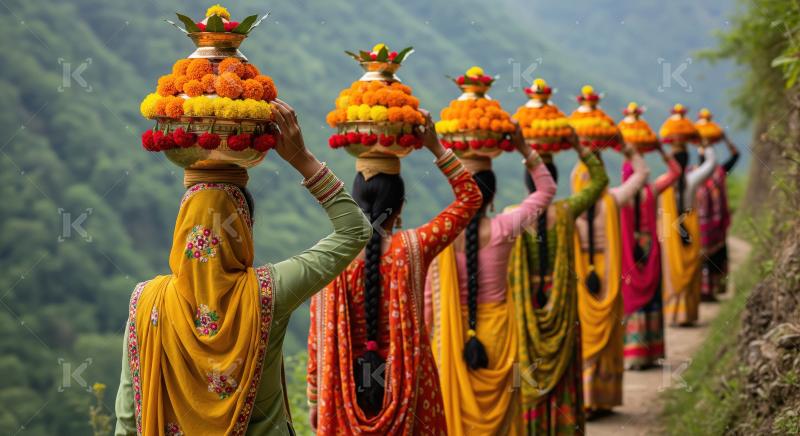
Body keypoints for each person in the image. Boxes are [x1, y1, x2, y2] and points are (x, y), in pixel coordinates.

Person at [113, 100, 372, 436]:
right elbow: (355, 231)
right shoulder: (270, 292)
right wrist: (301, 159)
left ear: (182, 230)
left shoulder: (147, 303)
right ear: (244, 228)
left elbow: (128, 419)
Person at [306, 113, 482, 435]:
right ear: (399, 207)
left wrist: (316, 400)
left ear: (354, 204)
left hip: (345, 396)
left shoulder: (331, 257)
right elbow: (471, 199)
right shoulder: (415, 247)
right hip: (411, 393)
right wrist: (435, 147)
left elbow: (318, 336)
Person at [423, 125, 556, 436]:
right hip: (498, 334)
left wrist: (429, 345)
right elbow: (546, 191)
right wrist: (525, 150)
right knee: (503, 411)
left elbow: (429, 303)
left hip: (452, 338)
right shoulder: (505, 228)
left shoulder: (439, 236)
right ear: (493, 196)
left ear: (461, 196)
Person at [507, 138, 608, 434]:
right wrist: (579, 146)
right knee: (562, 371)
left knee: (528, 373)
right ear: (556, 180)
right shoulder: (566, 210)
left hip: (527, 311)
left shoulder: (512, 215)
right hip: (561, 305)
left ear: (527, 181)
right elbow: (600, 180)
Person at [571, 144, 649, 415]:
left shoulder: (569, 210)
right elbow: (641, 175)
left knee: (584, 333)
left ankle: (586, 398)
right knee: (609, 331)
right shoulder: (613, 200)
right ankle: (603, 397)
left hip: (582, 276)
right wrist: (629, 151)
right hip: (609, 274)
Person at [621, 144, 682, 370]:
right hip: (650, 251)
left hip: (629, 253)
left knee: (633, 298)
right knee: (651, 299)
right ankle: (651, 352)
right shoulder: (652, 190)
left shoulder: (619, 198)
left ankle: (633, 355)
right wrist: (662, 152)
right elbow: (676, 173)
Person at [660, 144, 716, 326]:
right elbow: (712, 163)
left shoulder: (664, 182)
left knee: (672, 273)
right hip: (689, 231)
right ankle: (687, 315)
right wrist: (704, 144)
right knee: (690, 272)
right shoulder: (692, 179)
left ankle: (673, 315)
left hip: (670, 233)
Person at [697, 134, 739, 301]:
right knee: (705, 258)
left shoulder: (718, 173)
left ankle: (711, 290)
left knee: (715, 257)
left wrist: (725, 139)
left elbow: (736, 155)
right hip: (703, 226)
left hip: (715, 226)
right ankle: (703, 290)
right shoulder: (696, 175)